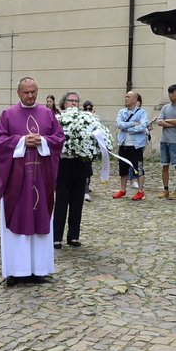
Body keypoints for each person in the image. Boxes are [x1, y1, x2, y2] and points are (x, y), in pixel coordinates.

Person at [0, 76, 64, 285]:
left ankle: (39, 270)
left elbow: (59, 139)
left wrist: (43, 141)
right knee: (17, 220)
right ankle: (16, 271)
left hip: (41, 179)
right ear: (18, 93)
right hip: (17, 180)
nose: (30, 95)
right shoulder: (8, 114)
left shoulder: (47, 114)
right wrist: (23, 141)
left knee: (40, 219)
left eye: (34, 91)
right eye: (26, 92)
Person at [53, 91, 104, 248]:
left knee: (77, 203)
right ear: (64, 103)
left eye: (76, 101)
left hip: (80, 166)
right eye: (71, 101)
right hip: (63, 167)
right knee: (61, 203)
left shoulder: (87, 119)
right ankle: (56, 237)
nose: (74, 103)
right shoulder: (57, 119)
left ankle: (73, 236)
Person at [112, 90, 149, 201]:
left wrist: (128, 129)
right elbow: (119, 124)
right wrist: (132, 124)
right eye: (126, 96)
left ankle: (140, 191)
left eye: (128, 97)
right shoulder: (121, 112)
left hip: (136, 145)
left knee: (138, 168)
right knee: (123, 168)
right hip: (123, 144)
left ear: (134, 100)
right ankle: (123, 190)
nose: (126, 98)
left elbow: (143, 126)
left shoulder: (142, 113)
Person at [156, 84, 176, 199]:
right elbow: (159, 121)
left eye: (172, 93)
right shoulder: (165, 107)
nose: (170, 95)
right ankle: (165, 189)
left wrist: (167, 121)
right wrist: (171, 123)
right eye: (169, 93)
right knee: (165, 165)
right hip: (164, 140)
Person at [82, 100, 96, 201]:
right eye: (86, 108)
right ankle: (85, 189)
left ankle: (87, 187)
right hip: (83, 148)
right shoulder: (81, 119)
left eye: (89, 109)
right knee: (85, 169)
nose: (88, 110)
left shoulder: (94, 118)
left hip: (91, 148)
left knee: (89, 169)